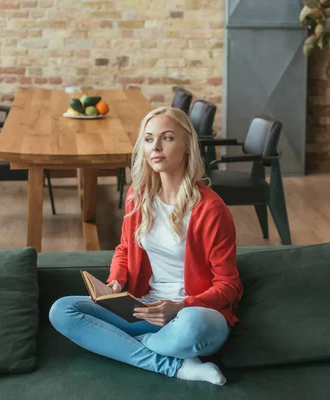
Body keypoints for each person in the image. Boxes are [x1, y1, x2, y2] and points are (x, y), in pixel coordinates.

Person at [49, 107, 243, 386]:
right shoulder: (138, 196)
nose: (156, 147)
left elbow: (229, 286)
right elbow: (125, 249)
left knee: (191, 326)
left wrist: (179, 307)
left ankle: (125, 345)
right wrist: (115, 282)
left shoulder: (211, 209)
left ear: (187, 145)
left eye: (167, 138)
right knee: (62, 310)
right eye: (149, 139)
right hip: (143, 309)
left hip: (192, 314)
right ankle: (176, 367)